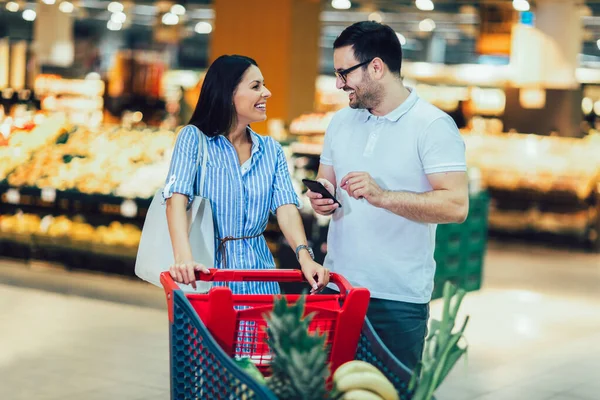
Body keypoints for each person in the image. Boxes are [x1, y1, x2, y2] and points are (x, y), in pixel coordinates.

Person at [308, 22, 469, 370]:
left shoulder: (432, 126)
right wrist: (323, 197)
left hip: (396, 300)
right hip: (339, 288)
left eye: (343, 73)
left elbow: (456, 206)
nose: (338, 84)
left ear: (376, 67)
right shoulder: (340, 123)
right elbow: (327, 180)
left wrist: (383, 196)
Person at [165, 55, 329, 295]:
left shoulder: (271, 150)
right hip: (206, 275)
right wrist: (183, 258)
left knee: (259, 334)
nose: (267, 93)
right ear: (228, 93)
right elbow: (175, 200)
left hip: (258, 277)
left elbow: (286, 207)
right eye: (256, 86)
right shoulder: (194, 139)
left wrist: (305, 257)